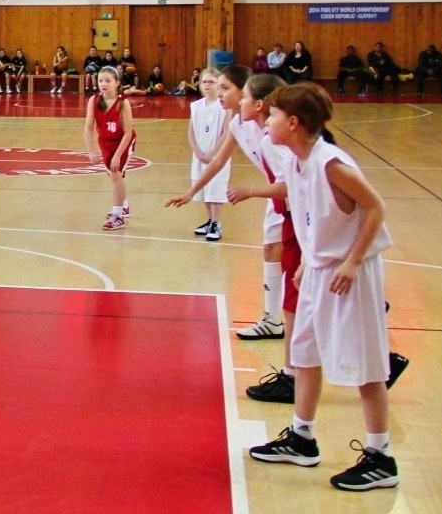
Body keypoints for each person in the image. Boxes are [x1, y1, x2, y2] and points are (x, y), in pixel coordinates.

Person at [238, 83, 400, 492]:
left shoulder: (332, 164)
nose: (267, 122)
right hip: (317, 269)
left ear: (293, 122)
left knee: (365, 367)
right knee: (303, 354)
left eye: (274, 116)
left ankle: (381, 456)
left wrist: (353, 260)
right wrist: (306, 260)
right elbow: (310, 214)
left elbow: (376, 207)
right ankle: (302, 437)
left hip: (348, 274)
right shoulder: (297, 162)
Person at [168, 69, 297, 348]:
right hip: (278, 196)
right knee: (271, 250)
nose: (219, 92)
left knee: (308, 263)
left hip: (297, 199)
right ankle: (272, 319)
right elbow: (217, 161)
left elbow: (296, 184)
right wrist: (192, 192)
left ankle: (350, 302)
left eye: (226, 88)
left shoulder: (272, 134)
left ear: (246, 94)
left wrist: (249, 191)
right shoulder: (239, 123)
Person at [84, 67, 136, 230]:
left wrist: (117, 156)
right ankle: (124, 206)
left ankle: (118, 216)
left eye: (108, 81)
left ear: (117, 83)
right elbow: (88, 128)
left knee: (115, 174)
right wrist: (91, 151)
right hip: (105, 142)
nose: (103, 84)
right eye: (100, 80)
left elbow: (128, 133)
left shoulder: (123, 103)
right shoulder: (94, 100)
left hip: (123, 141)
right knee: (115, 177)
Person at [185, 69, 232, 241]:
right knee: (203, 186)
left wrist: (213, 154)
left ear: (218, 85)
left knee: (216, 188)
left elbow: (226, 132)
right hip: (199, 155)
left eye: (211, 82)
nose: (207, 85)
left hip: (218, 155)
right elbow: (191, 131)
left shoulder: (224, 106)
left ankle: (216, 223)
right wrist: (197, 151)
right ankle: (210, 220)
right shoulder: (196, 106)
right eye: (204, 81)